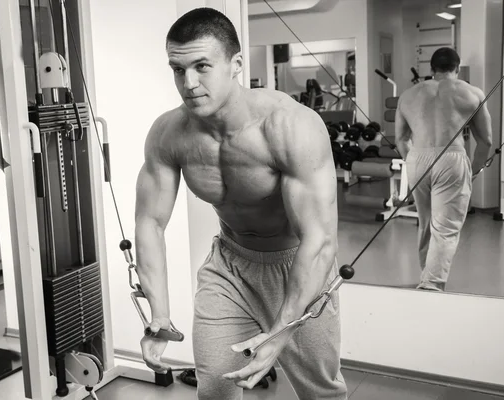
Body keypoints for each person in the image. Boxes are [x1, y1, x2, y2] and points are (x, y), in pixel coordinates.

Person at [133, 7, 347, 400]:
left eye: (201, 66)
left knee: (322, 394)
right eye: (178, 70)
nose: (189, 82)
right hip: (229, 267)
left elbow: (319, 240)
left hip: (298, 265)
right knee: (214, 389)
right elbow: (150, 223)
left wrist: (281, 331)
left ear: (236, 64)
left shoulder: (289, 126)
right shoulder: (169, 134)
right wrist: (158, 314)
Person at [395, 47, 493, 291]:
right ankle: (431, 285)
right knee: (445, 227)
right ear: (457, 69)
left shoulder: (408, 94)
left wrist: (413, 162)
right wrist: (473, 170)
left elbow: (400, 138)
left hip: (417, 158)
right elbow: (486, 140)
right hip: (451, 158)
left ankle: (427, 275)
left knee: (426, 222)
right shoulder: (472, 92)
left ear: (431, 69)